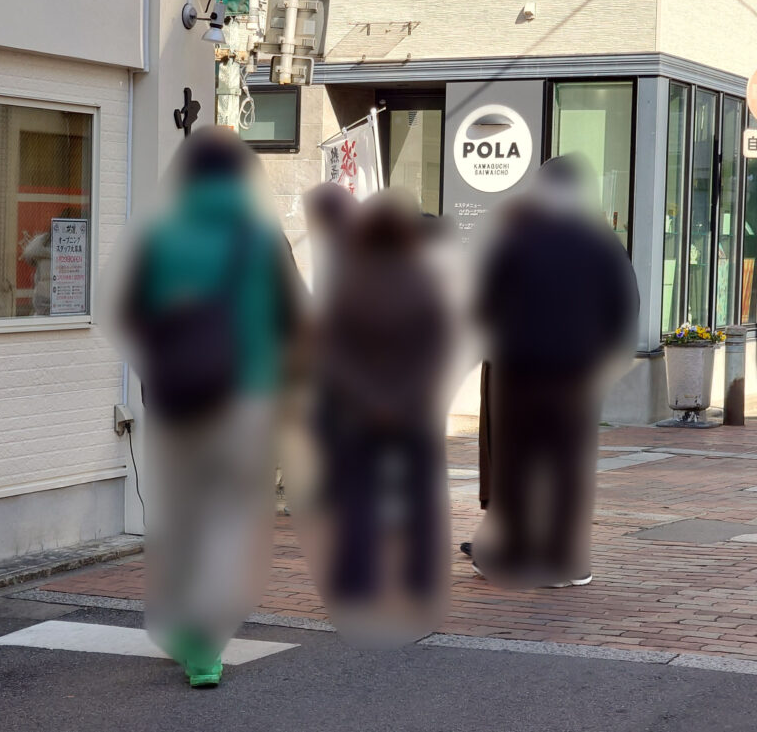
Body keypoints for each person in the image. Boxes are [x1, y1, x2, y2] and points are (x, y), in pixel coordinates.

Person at [115, 128, 304, 688]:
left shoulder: (159, 237)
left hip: (177, 403)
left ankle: (183, 623)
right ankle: (205, 645)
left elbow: (132, 317)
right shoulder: (262, 238)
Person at [467, 155, 638, 590]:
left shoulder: (514, 238)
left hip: (516, 370)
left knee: (516, 464)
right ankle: (566, 561)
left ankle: (516, 553)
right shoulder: (602, 242)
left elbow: (482, 301)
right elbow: (624, 306)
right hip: (575, 376)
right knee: (567, 468)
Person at [308, 190, 453, 646]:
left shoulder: (350, 282)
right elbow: (436, 351)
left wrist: (370, 398)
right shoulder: (424, 282)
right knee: (424, 502)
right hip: (415, 410)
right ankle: (421, 584)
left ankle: (357, 587)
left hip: (360, 411)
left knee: (358, 499)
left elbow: (335, 354)